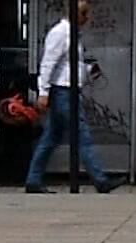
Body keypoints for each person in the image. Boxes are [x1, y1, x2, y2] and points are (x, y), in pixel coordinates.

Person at [25, 0, 119, 194]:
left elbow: (67, 65)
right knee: (81, 134)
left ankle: (33, 179)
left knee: (51, 137)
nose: (87, 19)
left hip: (66, 90)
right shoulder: (61, 33)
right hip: (63, 91)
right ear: (76, 14)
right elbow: (48, 63)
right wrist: (43, 92)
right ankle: (100, 180)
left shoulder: (72, 34)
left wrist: (86, 71)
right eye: (84, 14)